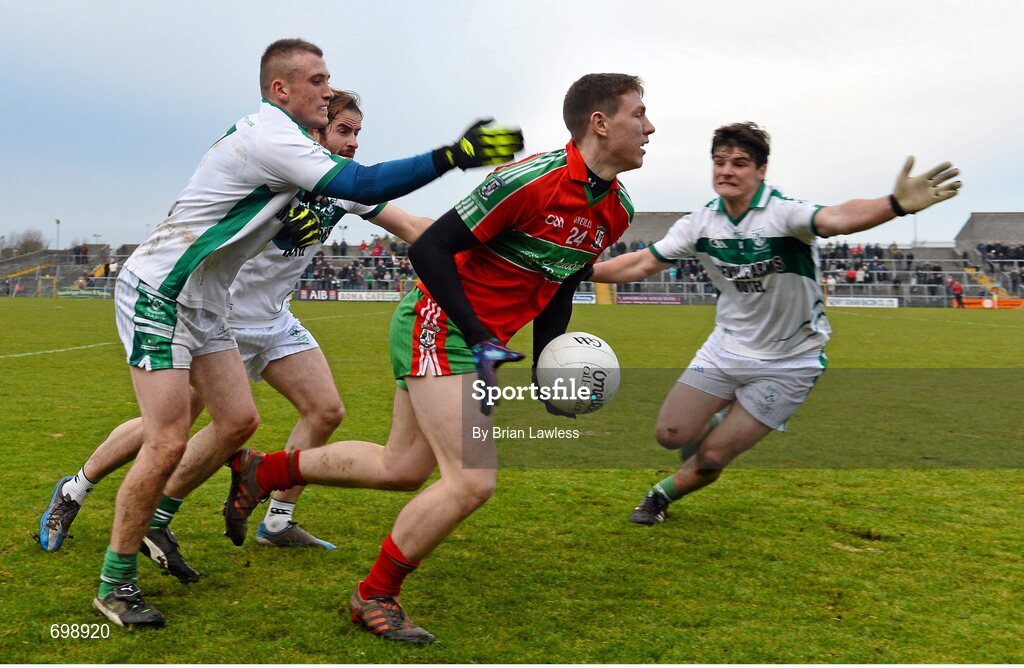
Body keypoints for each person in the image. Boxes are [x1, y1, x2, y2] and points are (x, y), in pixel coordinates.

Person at [52, 38, 524, 630]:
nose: (329, 93)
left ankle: (186, 519)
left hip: (211, 303)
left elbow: (393, 212)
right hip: (160, 291)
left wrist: (492, 228)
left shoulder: (302, 152)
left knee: (238, 423)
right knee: (166, 437)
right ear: (282, 90)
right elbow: (367, 183)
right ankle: (109, 567)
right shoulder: (270, 137)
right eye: (320, 82)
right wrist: (454, 154)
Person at [220, 73, 655, 644]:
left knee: (401, 469)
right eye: (638, 114)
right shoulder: (529, 180)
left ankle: (264, 470)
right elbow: (430, 248)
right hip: (440, 323)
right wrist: (477, 336)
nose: (649, 128)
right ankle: (374, 595)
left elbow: (563, 282)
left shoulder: (616, 209)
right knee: (472, 481)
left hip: (470, 338)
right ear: (600, 123)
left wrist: (549, 367)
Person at [37, 88, 437, 567]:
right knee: (165, 426)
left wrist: (480, 230)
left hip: (274, 320)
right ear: (314, 132)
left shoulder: (344, 189)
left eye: (357, 133)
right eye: (343, 131)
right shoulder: (275, 170)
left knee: (326, 410)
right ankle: (77, 488)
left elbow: (413, 225)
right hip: (219, 318)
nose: (353, 143)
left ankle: (277, 519)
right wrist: (287, 220)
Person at [588, 121, 960, 526]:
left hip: (790, 363)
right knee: (670, 435)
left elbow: (837, 218)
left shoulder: (784, 215)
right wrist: (582, 270)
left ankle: (659, 496)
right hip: (725, 350)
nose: (727, 171)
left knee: (712, 456)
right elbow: (643, 262)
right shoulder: (700, 224)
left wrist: (895, 204)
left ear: (761, 171)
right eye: (719, 162)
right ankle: (719, 415)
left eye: (740, 163)